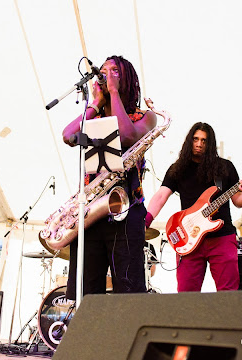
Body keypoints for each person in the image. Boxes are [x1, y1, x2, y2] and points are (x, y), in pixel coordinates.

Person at [62, 55, 157, 299]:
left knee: (128, 293)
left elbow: (126, 137)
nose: (106, 74)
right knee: (85, 294)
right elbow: (67, 135)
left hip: (127, 213)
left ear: (126, 79)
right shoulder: (93, 117)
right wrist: (95, 102)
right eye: (103, 71)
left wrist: (114, 94)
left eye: (114, 71)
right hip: (91, 212)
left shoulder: (144, 117)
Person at [145, 122, 242, 292]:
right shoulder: (178, 169)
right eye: (196, 139)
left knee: (228, 294)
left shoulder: (224, 167)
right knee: (187, 296)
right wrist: (145, 221)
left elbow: (237, 200)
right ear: (189, 141)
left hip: (222, 237)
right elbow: (161, 195)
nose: (199, 144)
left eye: (204, 141)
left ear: (210, 144)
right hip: (188, 238)